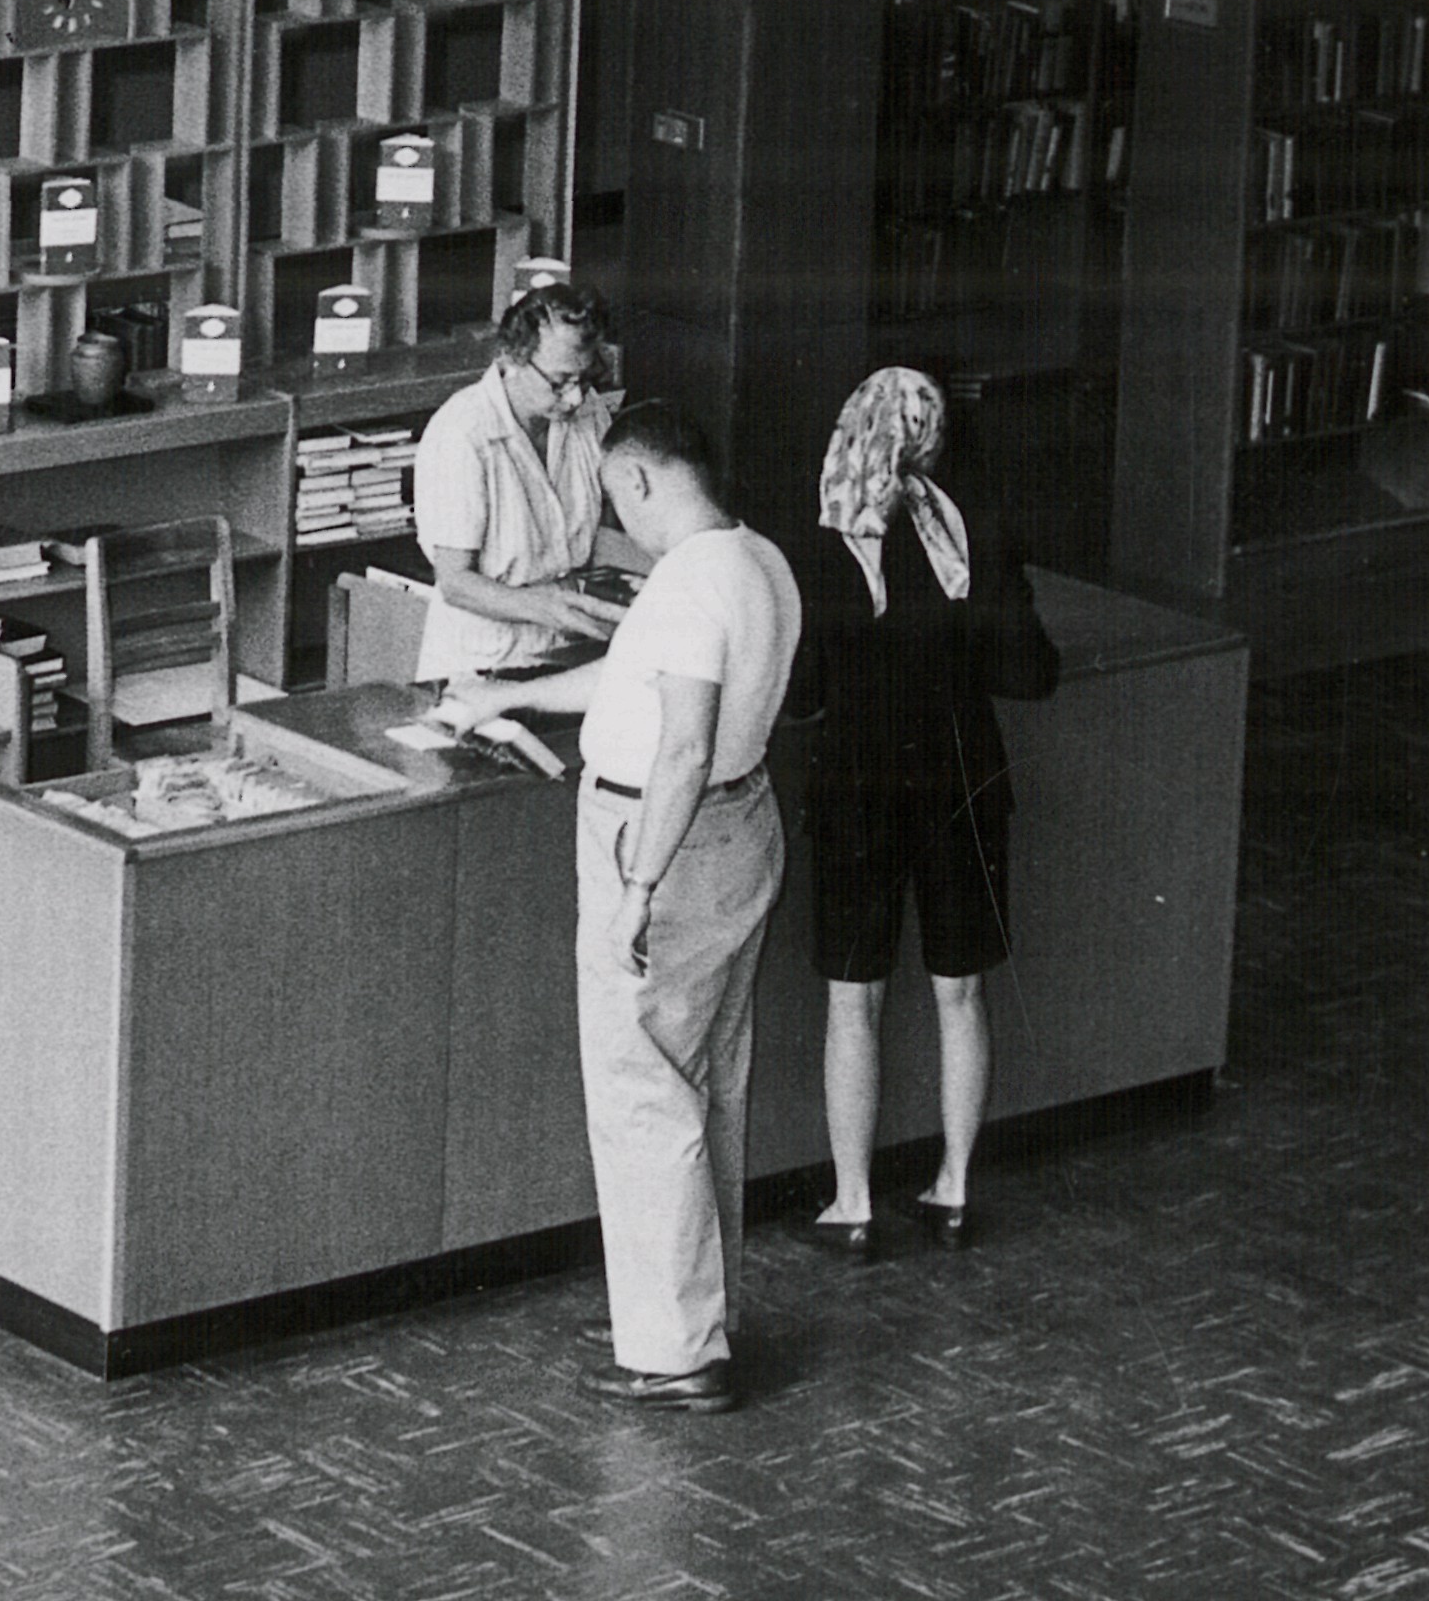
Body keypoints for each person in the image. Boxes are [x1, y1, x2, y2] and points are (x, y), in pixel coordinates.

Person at [455, 397, 802, 1409]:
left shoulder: (688, 585)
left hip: (660, 842)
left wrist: (637, 889)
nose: (618, 517)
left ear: (641, 479)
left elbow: (682, 746)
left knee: (641, 1088)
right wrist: (512, 696)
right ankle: (692, 1314)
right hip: (741, 827)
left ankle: (677, 1350)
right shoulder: (756, 560)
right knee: (706, 1080)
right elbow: (640, 678)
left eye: (614, 497)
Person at [782, 365, 1059, 1255]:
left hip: (858, 791)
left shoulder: (824, 543)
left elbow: (802, 696)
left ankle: (853, 1201)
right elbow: (1032, 673)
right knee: (961, 991)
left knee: (853, 1002)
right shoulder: (972, 533)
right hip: (962, 781)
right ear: (934, 437)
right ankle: (954, 1187)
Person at [406, 270, 633, 682]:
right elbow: (456, 582)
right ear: (510, 359)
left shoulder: (588, 412)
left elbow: (602, 532)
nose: (575, 397)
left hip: (565, 642)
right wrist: (549, 607)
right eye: (559, 382)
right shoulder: (464, 433)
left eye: (584, 379)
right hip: (484, 657)